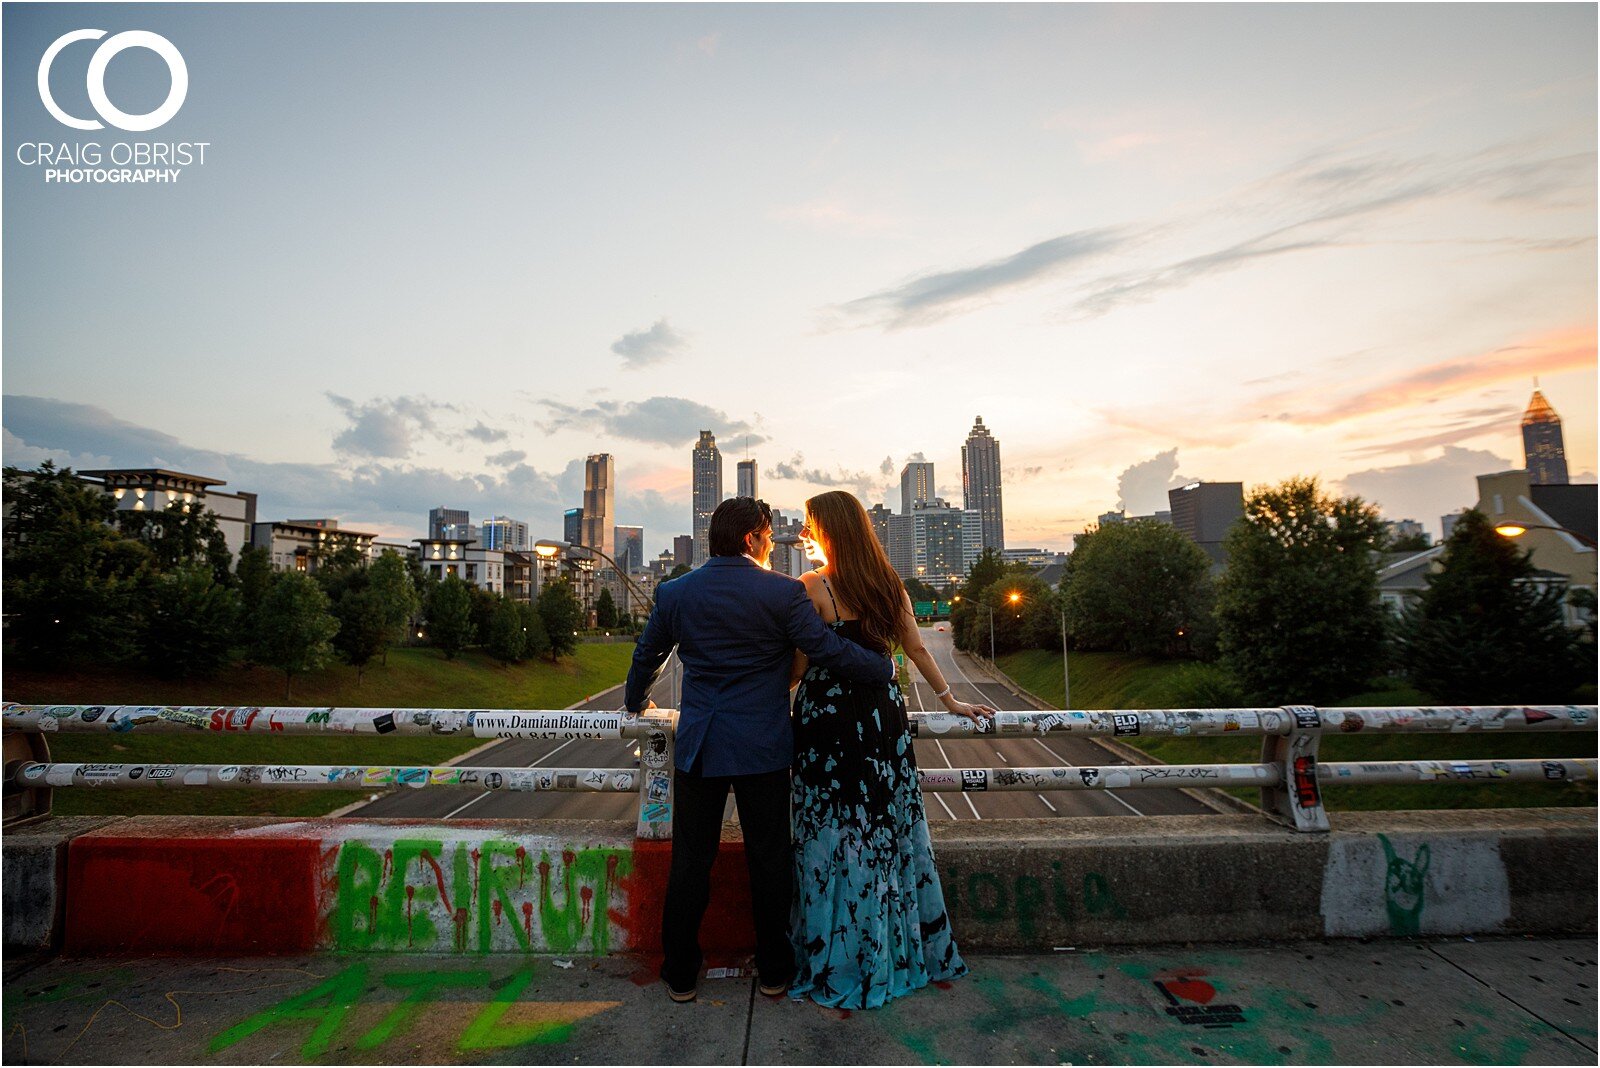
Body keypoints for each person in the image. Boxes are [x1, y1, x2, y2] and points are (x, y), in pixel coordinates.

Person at [624, 496, 896, 1004]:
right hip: (764, 748)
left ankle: (681, 972)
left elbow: (648, 657)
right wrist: (882, 668)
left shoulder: (676, 592)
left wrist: (635, 702)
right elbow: (827, 649)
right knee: (769, 861)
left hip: (700, 746)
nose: (773, 544)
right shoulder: (781, 593)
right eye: (770, 536)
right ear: (752, 538)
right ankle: (774, 970)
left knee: (690, 862)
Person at [787, 490, 993, 1009]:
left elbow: (796, 670)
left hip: (827, 725)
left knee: (830, 835)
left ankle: (836, 955)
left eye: (812, 524)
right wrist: (950, 700)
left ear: (826, 530)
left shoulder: (812, 587)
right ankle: (894, 950)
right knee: (886, 829)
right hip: (882, 718)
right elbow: (918, 648)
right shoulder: (890, 585)